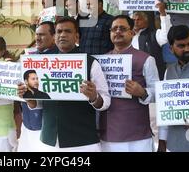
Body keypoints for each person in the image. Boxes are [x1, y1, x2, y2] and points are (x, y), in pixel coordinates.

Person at [19, 17, 111, 152]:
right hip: (48, 141)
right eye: (59, 31)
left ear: (77, 36)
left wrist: (94, 97)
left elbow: (106, 101)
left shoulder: (90, 62)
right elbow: (38, 103)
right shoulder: (41, 62)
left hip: (83, 142)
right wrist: (28, 97)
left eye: (67, 31)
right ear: (54, 36)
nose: (62, 35)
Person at [99, 15, 159, 152]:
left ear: (132, 33)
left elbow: (157, 91)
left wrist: (143, 92)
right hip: (109, 132)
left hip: (138, 135)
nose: (118, 31)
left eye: (122, 28)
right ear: (110, 33)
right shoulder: (101, 61)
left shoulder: (147, 59)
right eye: (114, 29)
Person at [18, 22, 56, 152]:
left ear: (54, 36)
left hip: (46, 128)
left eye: (42, 35)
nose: (37, 38)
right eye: (36, 35)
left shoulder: (59, 60)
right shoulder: (30, 57)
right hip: (28, 123)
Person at [132, 1, 172, 80]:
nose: (136, 22)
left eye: (139, 19)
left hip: (154, 77)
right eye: (134, 20)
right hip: (135, 77)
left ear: (146, 21)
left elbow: (166, 35)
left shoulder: (154, 34)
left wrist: (163, 14)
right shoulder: (129, 36)